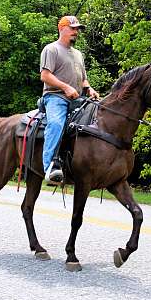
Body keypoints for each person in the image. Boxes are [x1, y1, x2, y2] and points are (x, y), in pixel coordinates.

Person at [40, 15, 99, 184]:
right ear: (61, 29)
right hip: (55, 97)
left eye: (77, 29)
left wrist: (89, 89)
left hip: (77, 99)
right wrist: (65, 87)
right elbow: (45, 75)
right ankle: (49, 168)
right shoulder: (51, 49)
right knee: (57, 124)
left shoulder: (78, 54)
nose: (76, 32)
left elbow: (82, 79)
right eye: (72, 29)